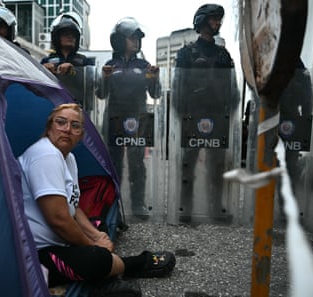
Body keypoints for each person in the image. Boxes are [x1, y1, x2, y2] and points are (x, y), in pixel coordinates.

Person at [18, 103, 175, 293]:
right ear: (50, 127)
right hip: (34, 254)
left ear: (82, 135)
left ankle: (104, 282)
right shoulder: (45, 155)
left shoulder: (68, 158)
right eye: (61, 122)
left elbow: (72, 206)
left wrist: (95, 234)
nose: (67, 129)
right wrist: (93, 245)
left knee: (98, 226)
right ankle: (135, 264)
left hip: (61, 243)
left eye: (75, 125)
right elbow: (58, 220)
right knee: (96, 258)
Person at [174, 4, 236, 223]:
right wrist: (183, 116)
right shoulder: (186, 54)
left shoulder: (223, 55)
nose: (218, 22)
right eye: (213, 19)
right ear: (201, 21)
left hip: (218, 116)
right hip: (193, 115)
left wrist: (231, 113)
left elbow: (233, 89)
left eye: (219, 18)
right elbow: (178, 87)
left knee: (217, 166)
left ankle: (216, 208)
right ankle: (185, 208)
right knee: (188, 164)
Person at [96, 17, 161, 217]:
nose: (136, 41)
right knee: (113, 161)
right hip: (114, 118)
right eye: (132, 38)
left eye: (138, 38)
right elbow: (101, 94)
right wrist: (104, 78)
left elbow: (156, 94)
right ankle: (114, 202)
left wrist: (155, 77)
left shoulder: (144, 65)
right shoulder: (110, 64)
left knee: (137, 162)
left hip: (138, 118)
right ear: (119, 40)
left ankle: (138, 204)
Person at [41, 12, 95, 110]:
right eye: (66, 34)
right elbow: (38, 88)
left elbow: (93, 86)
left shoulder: (85, 61)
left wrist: (73, 70)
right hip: (53, 109)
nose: (70, 37)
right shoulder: (46, 61)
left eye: (73, 35)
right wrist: (42, 71)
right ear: (57, 37)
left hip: (79, 110)